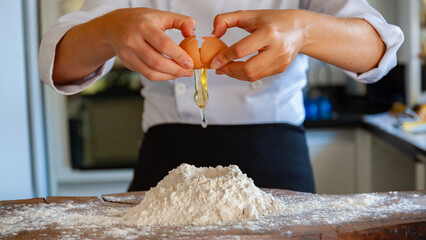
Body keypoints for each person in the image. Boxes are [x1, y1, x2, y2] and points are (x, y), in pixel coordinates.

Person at [39, 0, 403, 193]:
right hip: (167, 163)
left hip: (276, 161)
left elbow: (377, 50)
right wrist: (108, 29)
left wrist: (303, 30)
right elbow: (56, 64)